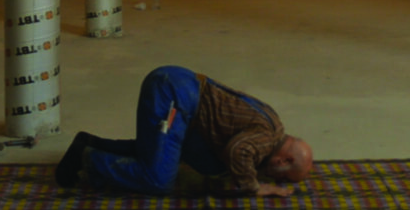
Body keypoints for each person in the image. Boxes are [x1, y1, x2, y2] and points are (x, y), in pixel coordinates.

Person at [55, 65, 313, 196]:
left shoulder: (273, 125)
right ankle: (88, 159)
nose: (274, 181)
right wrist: (254, 187)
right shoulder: (267, 139)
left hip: (180, 91)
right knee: (159, 180)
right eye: (283, 179)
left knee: (189, 163)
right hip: (174, 94)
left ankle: (89, 144)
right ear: (283, 160)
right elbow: (238, 150)